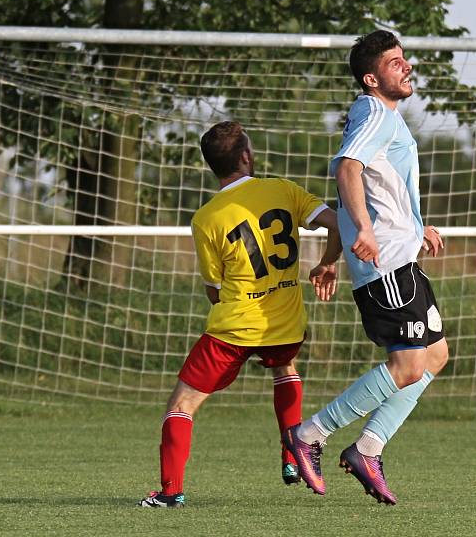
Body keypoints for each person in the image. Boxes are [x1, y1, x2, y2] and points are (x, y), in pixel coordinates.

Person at [138, 121, 342, 508]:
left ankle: (169, 493)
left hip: (234, 329)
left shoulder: (207, 217)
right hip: (287, 324)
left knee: (181, 405)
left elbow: (213, 290)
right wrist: (329, 263)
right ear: (246, 156)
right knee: (286, 369)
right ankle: (291, 459)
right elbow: (336, 224)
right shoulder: (282, 189)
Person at [283, 30, 448, 506]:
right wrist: (367, 234)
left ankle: (368, 448)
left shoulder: (377, 115)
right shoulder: (375, 112)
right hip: (388, 263)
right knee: (407, 364)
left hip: (398, 253)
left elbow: (365, 192)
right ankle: (311, 434)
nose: (407, 66)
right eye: (395, 63)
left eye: (404, 59)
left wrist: (335, 255)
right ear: (372, 78)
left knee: (434, 357)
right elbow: (347, 171)